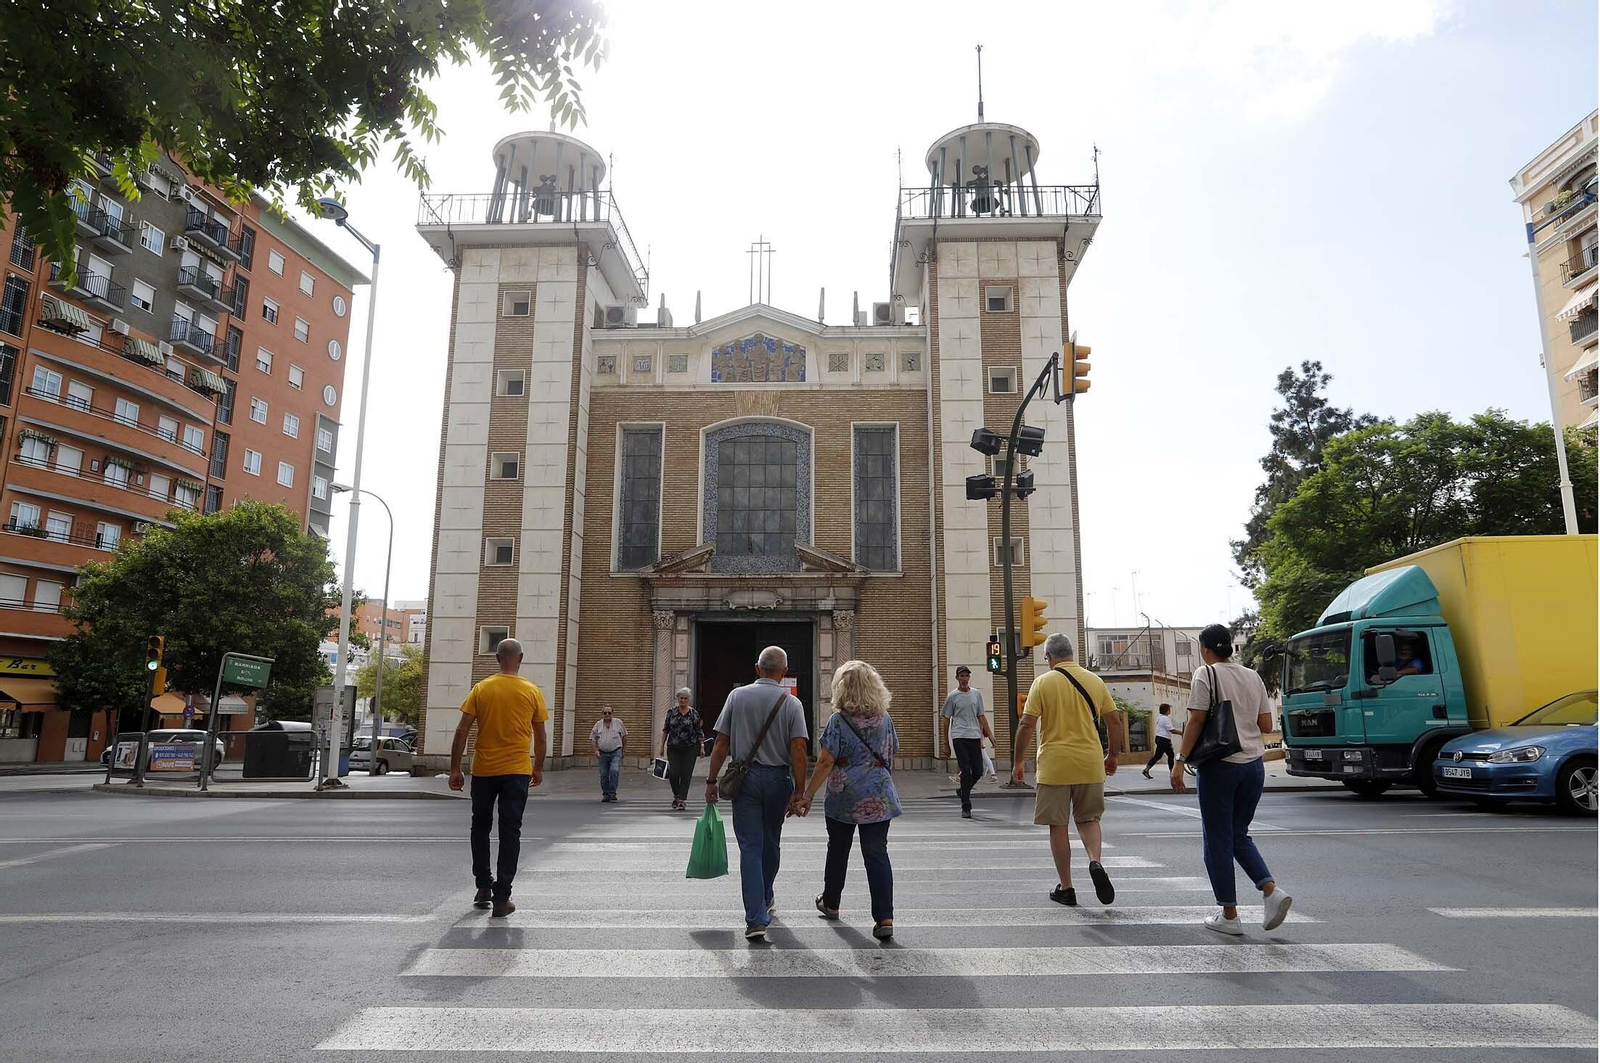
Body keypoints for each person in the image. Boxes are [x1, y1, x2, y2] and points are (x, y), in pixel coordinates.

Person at [1171, 623, 1293, 936]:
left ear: (1205, 648)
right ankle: (1271, 892)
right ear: (1230, 647)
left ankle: (1229, 915)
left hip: (1220, 766)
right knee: (1238, 834)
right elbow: (1265, 723)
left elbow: (1196, 719)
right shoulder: (1253, 676)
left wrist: (1180, 760)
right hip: (1253, 767)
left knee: (1217, 841)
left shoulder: (1206, 673)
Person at [1011, 633, 1124, 907]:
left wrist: (1017, 763)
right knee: (1089, 820)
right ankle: (1095, 861)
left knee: (1058, 826)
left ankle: (1067, 887)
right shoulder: (1094, 681)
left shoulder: (1042, 682)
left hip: (1054, 765)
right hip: (1090, 762)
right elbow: (1114, 720)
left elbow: (1026, 724)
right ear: (1072, 653)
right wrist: (1112, 756)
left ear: (1049, 657)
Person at [704, 646, 809, 941]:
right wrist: (799, 791)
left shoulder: (737, 697)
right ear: (784, 672)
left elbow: (721, 743)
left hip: (745, 780)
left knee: (750, 847)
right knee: (771, 842)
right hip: (778, 779)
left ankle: (755, 918)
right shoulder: (792, 704)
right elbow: (799, 749)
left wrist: (712, 781)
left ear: (756, 668)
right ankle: (765, 896)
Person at [800, 660, 901, 940]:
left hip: (843, 797)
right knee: (877, 853)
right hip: (879, 796)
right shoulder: (885, 719)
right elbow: (893, 750)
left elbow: (824, 761)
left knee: (838, 850)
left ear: (842, 688)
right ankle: (884, 917)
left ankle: (831, 903)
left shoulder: (838, 721)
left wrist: (807, 796)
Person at [448, 637, 547, 918]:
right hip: (517, 770)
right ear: (521, 658)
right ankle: (502, 898)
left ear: (497, 659)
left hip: (484, 770)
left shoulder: (481, 689)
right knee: (510, 832)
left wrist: (456, 768)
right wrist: (537, 767)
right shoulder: (531, 691)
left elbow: (461, 731)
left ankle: (483, 887)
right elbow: (540, 735)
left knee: (479, 827)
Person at [941, 665, 992, 819]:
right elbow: (945, 719)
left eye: (966, 676)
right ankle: (966, 806)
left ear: (969, 678)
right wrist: (946, 743)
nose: (964, 678)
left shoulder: (976, 694)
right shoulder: (952, 696)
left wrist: (990, 734)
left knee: (977, 771)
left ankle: (963, 790)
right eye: (961, 676)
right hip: (959, 736)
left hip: (974, 735)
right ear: (957, 678)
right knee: (966, 770)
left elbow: (981, 715)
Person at [657, 687, 704, 811]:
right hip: (673, 747)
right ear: (677, 699)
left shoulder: (694, 714)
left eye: (685, 698)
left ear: (689, 700)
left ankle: (682, 799)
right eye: (681, 698)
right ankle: (676, 795)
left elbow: (699, 732)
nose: (683, 700)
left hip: (690, 748)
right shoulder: (671, 712)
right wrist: (661, 746)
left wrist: (702, 747)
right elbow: (665, 730)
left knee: (686, 774)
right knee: (674, 773)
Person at [590, 706, 626, 802]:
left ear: (612, 714)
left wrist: (624, 749)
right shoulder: (598, 725)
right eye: (605, 713)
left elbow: (624, 736)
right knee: (604, 774)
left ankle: (612, 793)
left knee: (614, 771)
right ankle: (606, 794)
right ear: (602, 714)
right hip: (602, 753)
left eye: (609, 713)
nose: (607, 715)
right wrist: (596, 750)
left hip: (616, 751)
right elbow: (593, 738)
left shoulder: (619, 723)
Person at [1142, 704, 1180, 779]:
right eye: (1169, 709)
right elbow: (1171, 730)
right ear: (1166, 710)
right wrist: (1182, 733)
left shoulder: (1160, 718)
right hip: (1163, 739)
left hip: (1161, 738)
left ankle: (1146, 770)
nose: (1170, 711)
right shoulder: (1165, 719)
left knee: (1160, 755)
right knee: (1169, 755)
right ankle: (1172, 773)